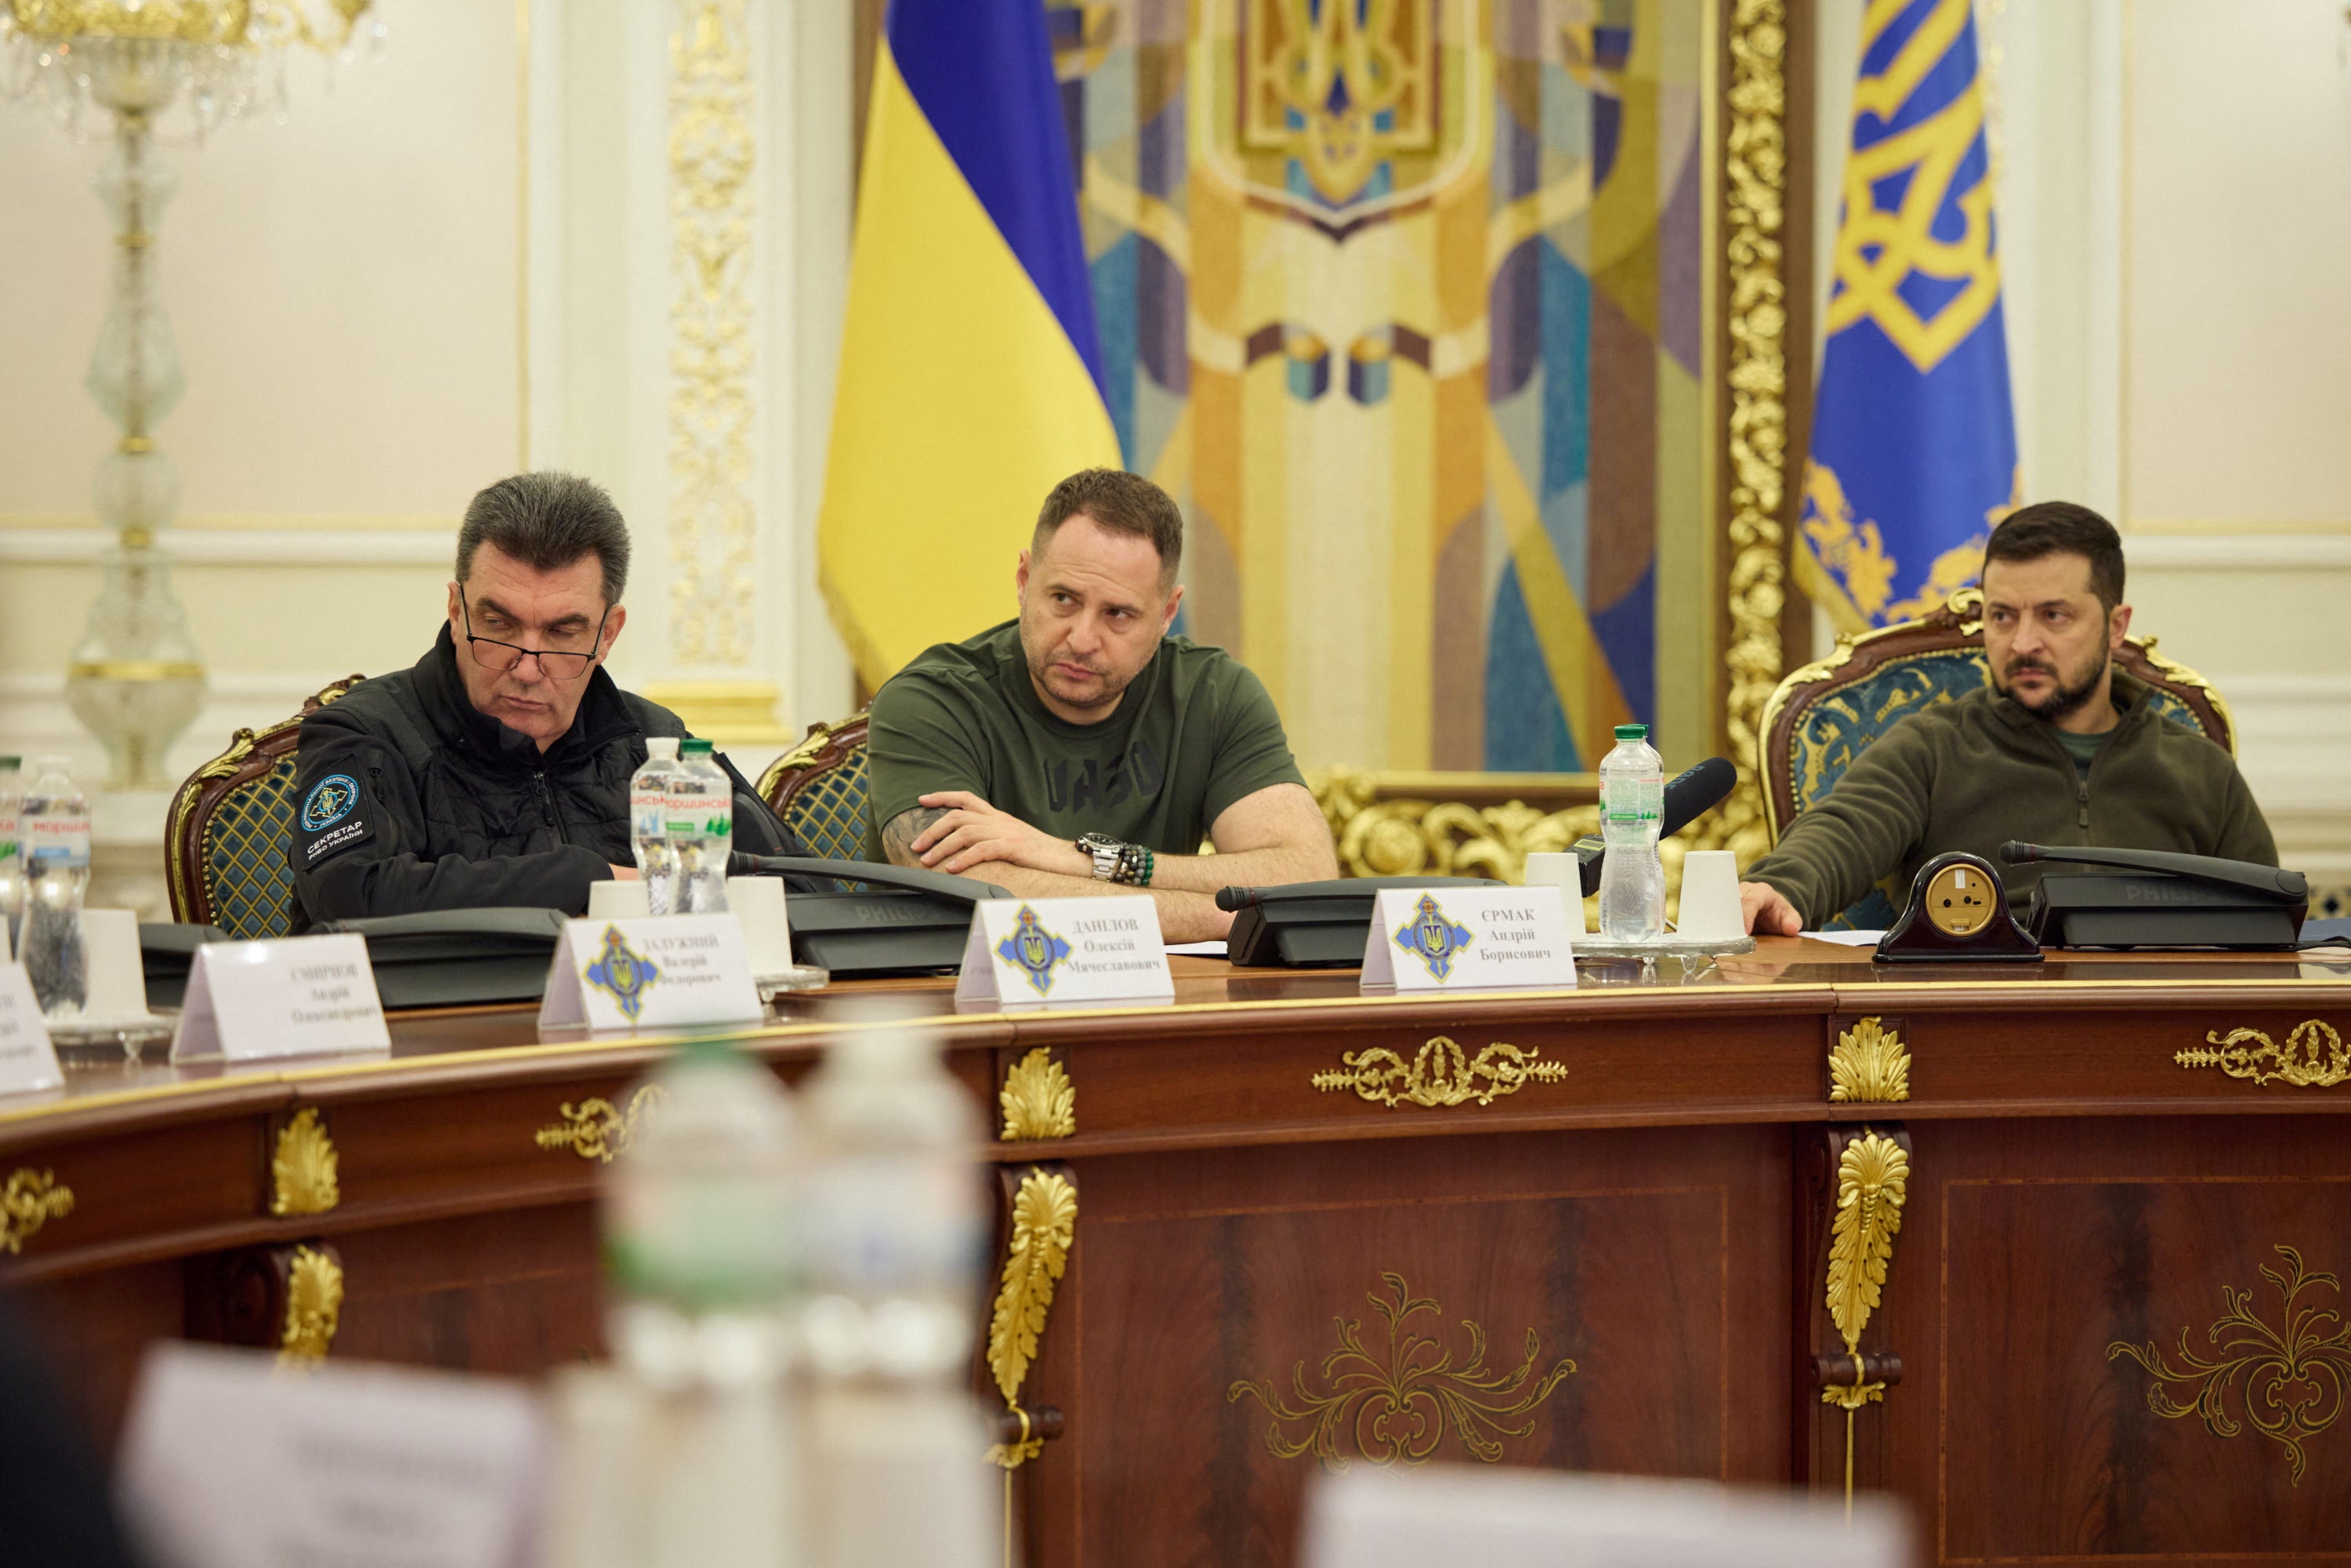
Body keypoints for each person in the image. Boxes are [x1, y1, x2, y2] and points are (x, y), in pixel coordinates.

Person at [1741, 502, 2277, 935]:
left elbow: (2271, 925)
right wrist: (1779, 888)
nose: (2023, 643)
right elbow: (1843, 831)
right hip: (1981, 1029)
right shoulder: (1931, 747)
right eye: (2002, 616)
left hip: (2160, 1035)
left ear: (2116, 627)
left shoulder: (2199, 771)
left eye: (2053, 615)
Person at [291, 472, 798, 925]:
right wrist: (584, 877)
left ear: (607, 633)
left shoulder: (653, 742)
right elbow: (350, 895)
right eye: (498, 623)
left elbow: (798, 888)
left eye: (562, 632)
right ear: (455, 608)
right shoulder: (365, 731)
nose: (529, 667)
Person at [864, 468, 1337, 943]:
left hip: (1162, 1002)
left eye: (1118, 614)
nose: (1083, 638)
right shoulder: (931, 699)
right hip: (952, 1000)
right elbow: (963, 885)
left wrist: (1073, 857)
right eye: (1064, 599)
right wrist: (1220, 918)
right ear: (1025, 581)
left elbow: (1307, 876)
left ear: (1167, 614)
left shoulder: (1212, 694)